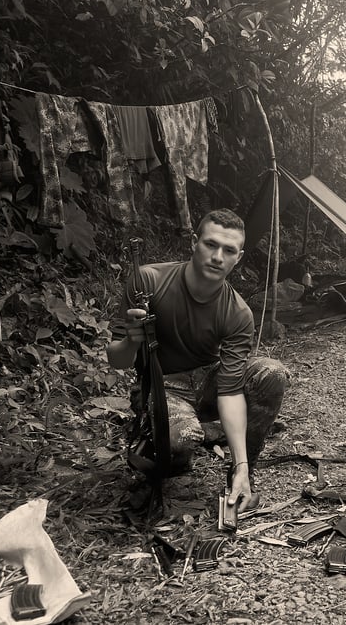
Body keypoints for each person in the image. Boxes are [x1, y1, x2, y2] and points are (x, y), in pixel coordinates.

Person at [107, 209, 289, 513]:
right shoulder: (149, 281)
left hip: (208, 383)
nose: (218, 256)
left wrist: (240, 462)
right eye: (210, 244)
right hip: (163, 385)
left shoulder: (238, 313)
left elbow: (229, 390)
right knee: (179, 442)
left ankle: (242, 474)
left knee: (271, 373)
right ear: (194, 241)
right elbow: (117, 360)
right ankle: (156, 443)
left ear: (238, 257)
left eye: (228, 250)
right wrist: (131, 339)